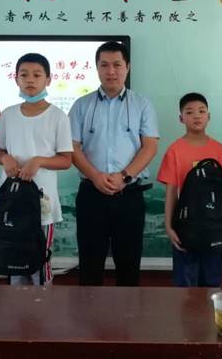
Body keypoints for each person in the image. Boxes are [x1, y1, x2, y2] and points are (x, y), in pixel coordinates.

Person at [69, 41, 159, 286]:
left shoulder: (142, 104)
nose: (111, 71)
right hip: (91, 193)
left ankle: (128, 311)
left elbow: (150, 146)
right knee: (90, 263)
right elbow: (73, 148)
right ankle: (89, 309)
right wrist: (95, 176)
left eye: (117, 65)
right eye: (105, 65)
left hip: (129, 193)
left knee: (128, 264)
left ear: (127, 67)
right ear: (97, 68)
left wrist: (124, 176)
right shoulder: (81, 105)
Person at [0, 53, 73, 285]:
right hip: (11, 199)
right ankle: (18, 305)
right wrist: (5, 159)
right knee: (14, 257)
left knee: (39, 260)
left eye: (37, 75)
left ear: (48, 79)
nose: (30, 80)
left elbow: (66, 160)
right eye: (24, 75)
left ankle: (43, 304)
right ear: (16, 79)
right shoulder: (8, 114)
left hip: (42, 203)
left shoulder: (58, 117)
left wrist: (38, 161)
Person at [157, 92, 222, 287]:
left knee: (212, 281)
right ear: (181, 118)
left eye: (202, 111)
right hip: (186, 226)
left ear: (209, 116)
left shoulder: (218, 149)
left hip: (215, 227)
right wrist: (169, 226)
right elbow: (171, 192)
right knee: (185, 284)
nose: (197, 116)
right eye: (190, 112)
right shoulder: (174, 150)